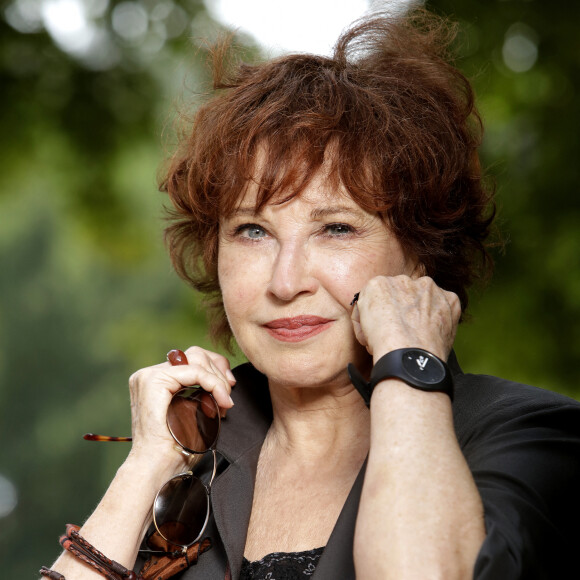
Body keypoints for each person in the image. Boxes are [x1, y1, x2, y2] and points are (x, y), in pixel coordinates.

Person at [41, 7, 580, 580]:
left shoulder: (530, 436)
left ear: (420, 250)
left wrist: (410, 361)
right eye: (252, 231)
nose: (285, 281)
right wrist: (148, 461)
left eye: (337, 228)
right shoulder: (191, 473)